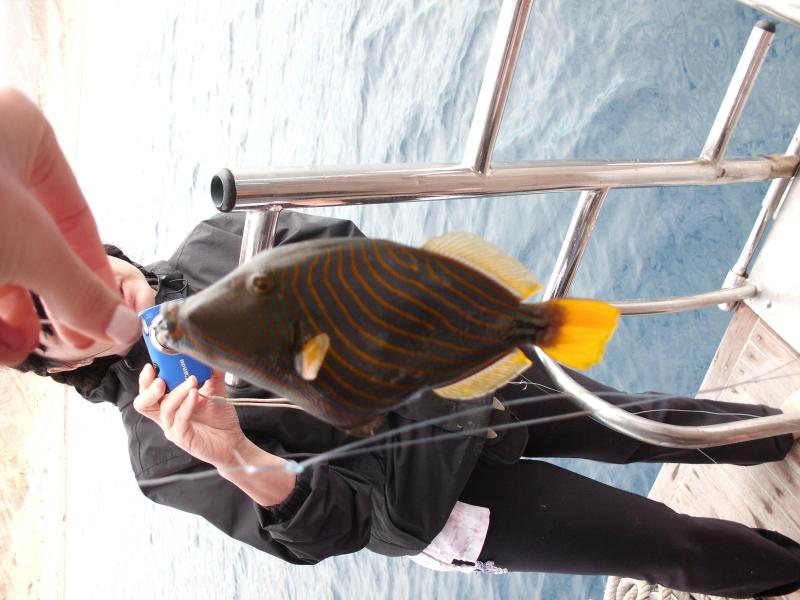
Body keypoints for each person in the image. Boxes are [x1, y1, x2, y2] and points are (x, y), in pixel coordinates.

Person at [15, 208, 800, 598]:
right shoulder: (162, 454)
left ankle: (787, 436)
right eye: (48, 321)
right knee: (668, 546)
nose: (77, 293)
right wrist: (237, 455)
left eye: (57, 261)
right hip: (437, 500)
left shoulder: (225, 237)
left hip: (463, 377)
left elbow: (361, 254)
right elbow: (334, 529)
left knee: (651, 421)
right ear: (62, 363)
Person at [0, 88, 139, 366]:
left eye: (76, 265)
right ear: (68, 366)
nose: (102, 291)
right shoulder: (142, 395)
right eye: (51, 326)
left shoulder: (203, 237)